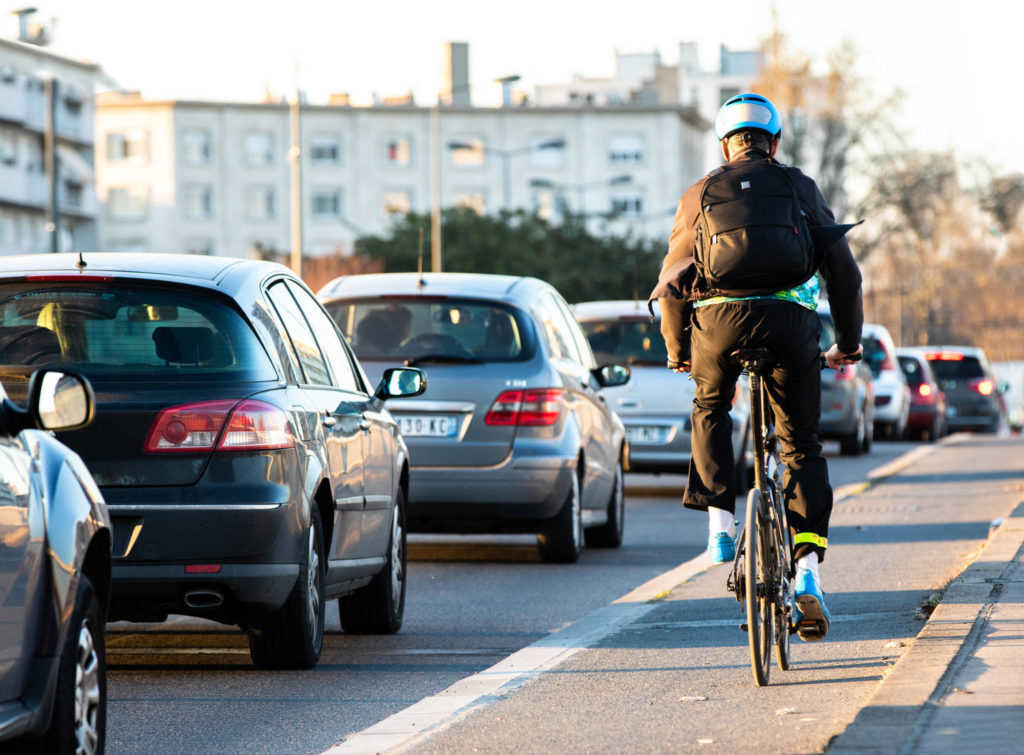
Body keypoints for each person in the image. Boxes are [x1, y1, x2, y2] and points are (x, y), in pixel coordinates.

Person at [650, 92, 864, 642]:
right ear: (774, 142)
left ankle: (720, 523)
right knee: (800, 446)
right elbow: (845, 274)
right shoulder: (799, 187)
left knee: (710, 406)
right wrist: (849, 343)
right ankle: (809, 572)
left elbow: (673, 282)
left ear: (725, 144)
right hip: (791, 324)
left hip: (718, 325)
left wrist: (679, 353)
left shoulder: (700, 193)